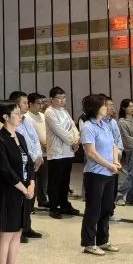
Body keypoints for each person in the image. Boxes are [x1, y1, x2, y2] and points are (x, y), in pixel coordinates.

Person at [0, 100, 35, 264]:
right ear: (6, 117)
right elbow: (5, 169)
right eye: (16, 113)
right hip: (7, 191)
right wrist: (23, 188)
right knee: (7, 232)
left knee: (17, 231)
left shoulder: (20, 137)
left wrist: (31, 184)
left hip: (23, 190)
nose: (20, 116)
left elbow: (29, 163)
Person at [79, 94, 121, 255]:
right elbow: (91, 153)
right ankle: (89, 243)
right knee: (93, 209)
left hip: (109, 173)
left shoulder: (105, 124)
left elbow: (114, 146)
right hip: (95, 174)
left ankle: (103, 240)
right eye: (104, 105)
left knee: (106, 208)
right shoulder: (88, 127)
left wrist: (115, 161)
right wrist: (109, 165)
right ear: (95, 108)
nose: (107, 107)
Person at [9, 91, 44, 242]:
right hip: (21, 163)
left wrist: (38, 157)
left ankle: (27, 227)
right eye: (24, 103)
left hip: (32, 162)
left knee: (30, 197)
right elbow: (19, 146)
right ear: (16, 104)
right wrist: (31, 158)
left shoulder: (26, 120)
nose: (26, 105)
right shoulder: (12, 123)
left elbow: (35, 140)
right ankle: (18, 230)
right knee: (20, 199)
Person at [45, 86, 81, 219]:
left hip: (68, 152)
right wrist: (73, 141)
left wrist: (77, 138)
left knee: (65, 181)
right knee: (55, 181)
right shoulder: (50, 112)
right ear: (52, 99)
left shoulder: (64, 111)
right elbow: (59, 131)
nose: (62, 100)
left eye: (64, 98)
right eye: (59, 98)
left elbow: (73, 126)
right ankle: (54, 207)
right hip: (57, 152)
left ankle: (64, 204)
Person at [26, 93, 50, 209]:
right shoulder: (26, 117)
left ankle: (42, 200)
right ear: (30, 104)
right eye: (38, 103)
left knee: (44, 179)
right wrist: (42, 143)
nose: (41, 105)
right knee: (32, 179)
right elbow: (32, 135)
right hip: (33, 153)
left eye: (42, 103)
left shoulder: (42, 116)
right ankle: (30, 204)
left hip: (45, 151)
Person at [117, 99, 133, 206]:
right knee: (132, 176)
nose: (132, 108)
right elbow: (126, 139)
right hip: (132, 151)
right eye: (129, 106)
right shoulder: (121, 122)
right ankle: (118, 195)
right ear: (124, 108)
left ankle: (131, 197)